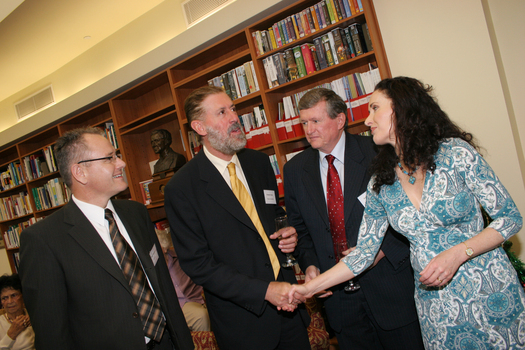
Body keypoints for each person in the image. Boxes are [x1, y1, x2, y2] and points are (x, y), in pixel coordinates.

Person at [289, 77, 525, 349]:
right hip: (436, 308)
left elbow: (510, 217)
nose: (367, 120)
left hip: (489, 292)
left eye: (374, 108)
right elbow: (362, 255)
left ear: (401, 109)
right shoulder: (382, 180)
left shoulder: (455, 153)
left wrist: (459, 253)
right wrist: (309, 288)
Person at [19, 127, 194, 350]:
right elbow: (53, 334)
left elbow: (164, 288)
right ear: (80, 172)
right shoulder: (43, 239)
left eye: (117, 155)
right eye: (110, 158)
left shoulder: (136, 213)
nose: (121, 163)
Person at [164, 86, 311, 350]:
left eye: (233, 108)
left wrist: (287, 231)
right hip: (245, 325)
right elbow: (199, 265)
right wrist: (264, 291)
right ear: (200, 127)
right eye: (222, 112)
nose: (234, 117)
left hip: (291, 310)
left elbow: (273, 214)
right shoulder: (182, 188)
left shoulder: (258, 163)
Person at [283, 88, 424, 349]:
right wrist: (311, 266)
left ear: (339, 120)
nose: (309, 129)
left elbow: (410, 214)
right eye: (304, 122)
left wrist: (377, 252)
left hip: (388, 287)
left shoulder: (378, 152)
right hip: (339, 301)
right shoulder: (294, 170)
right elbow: (300, 229)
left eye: (316, 121)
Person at [155, 228, 210, 332]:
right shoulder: (152, 269)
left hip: (198, 298)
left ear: (164, 247)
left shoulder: (181, 256)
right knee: (201, 317)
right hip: (176, 308)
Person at [0, 274, 34, 350]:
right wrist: (11, 334)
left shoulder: (34, 314)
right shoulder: (1, 323)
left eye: (14, 295)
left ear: (22, 296)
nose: (10, 301)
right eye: (4, 298)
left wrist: (35, 322)